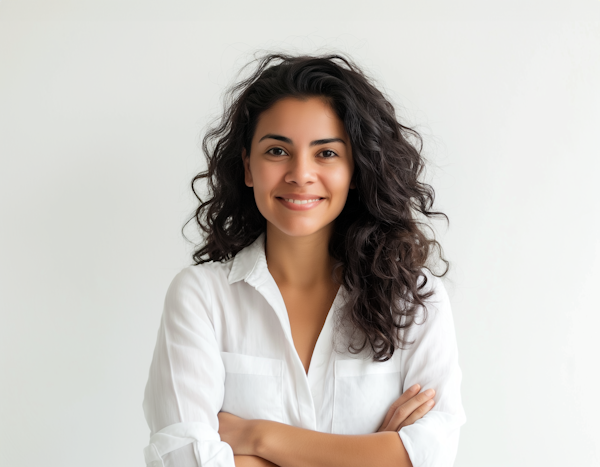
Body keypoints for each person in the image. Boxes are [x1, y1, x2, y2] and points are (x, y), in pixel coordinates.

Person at [142, 53, 466, 467]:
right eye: (277, 150)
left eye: (326, 154)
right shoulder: (200, 297)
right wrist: (372, 454)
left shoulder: (414, 299)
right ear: (247, 167)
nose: (300, 173)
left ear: (355, 169)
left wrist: (260, 437)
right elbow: (183, 460)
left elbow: (434, 456)